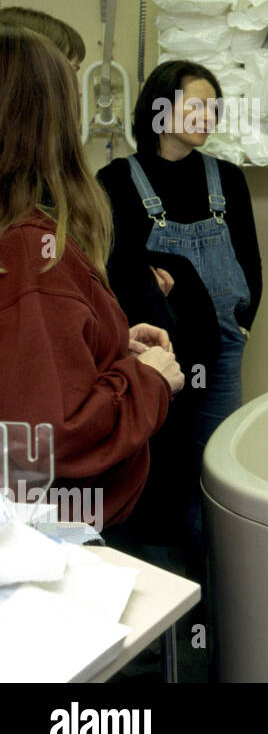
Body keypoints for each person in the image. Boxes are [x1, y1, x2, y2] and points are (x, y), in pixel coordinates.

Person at [0, 27, 182, 528]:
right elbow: (48, 434)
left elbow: (28, 368)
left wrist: (105, 343)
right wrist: (146, 381)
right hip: (59, 533)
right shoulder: (28, 251)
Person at [96, 59, 262, 559]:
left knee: (217, 462)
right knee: (160, 462)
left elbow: (251, 260)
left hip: (222, 345)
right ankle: (165, 575)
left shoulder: (227, 179)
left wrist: (242, 324)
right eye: (197, 106)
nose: (207, 117)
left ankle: (212, 580)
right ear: (160, 107)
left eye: (214, 108)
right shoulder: (118, 178)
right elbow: (111, 262)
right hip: (152, 349)